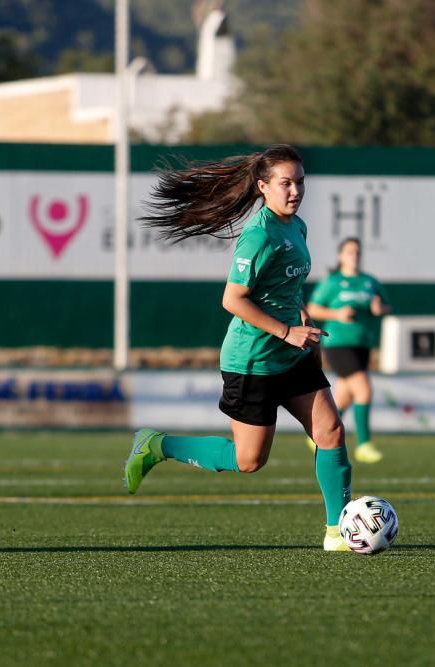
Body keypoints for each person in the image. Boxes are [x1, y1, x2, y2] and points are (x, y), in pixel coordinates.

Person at [122, 145, 353, 552]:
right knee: (249, 461)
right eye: (286, 183)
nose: (295, 190)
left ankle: (338, 531)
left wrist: (303, 321)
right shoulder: (258, 235)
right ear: (263, 187)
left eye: (300, 182)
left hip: (291, 353)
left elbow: (286, 286)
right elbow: (233, 300)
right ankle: (157, 445)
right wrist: (285, 332)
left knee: (330, 430)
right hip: (252, 362)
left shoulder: (295, 227)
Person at [306, 237, 392, 464]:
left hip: (362, 344)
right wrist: (337, 314)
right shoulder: (333, 282)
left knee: (344, 395)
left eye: (357, 252)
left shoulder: (369, 281)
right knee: (363, 390)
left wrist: (379, 309)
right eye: (349, 252)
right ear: (340, 256)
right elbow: (313, 308)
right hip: (338, 344)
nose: (354, 256)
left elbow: (385, 306)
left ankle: (319, 434)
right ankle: (364, 444)